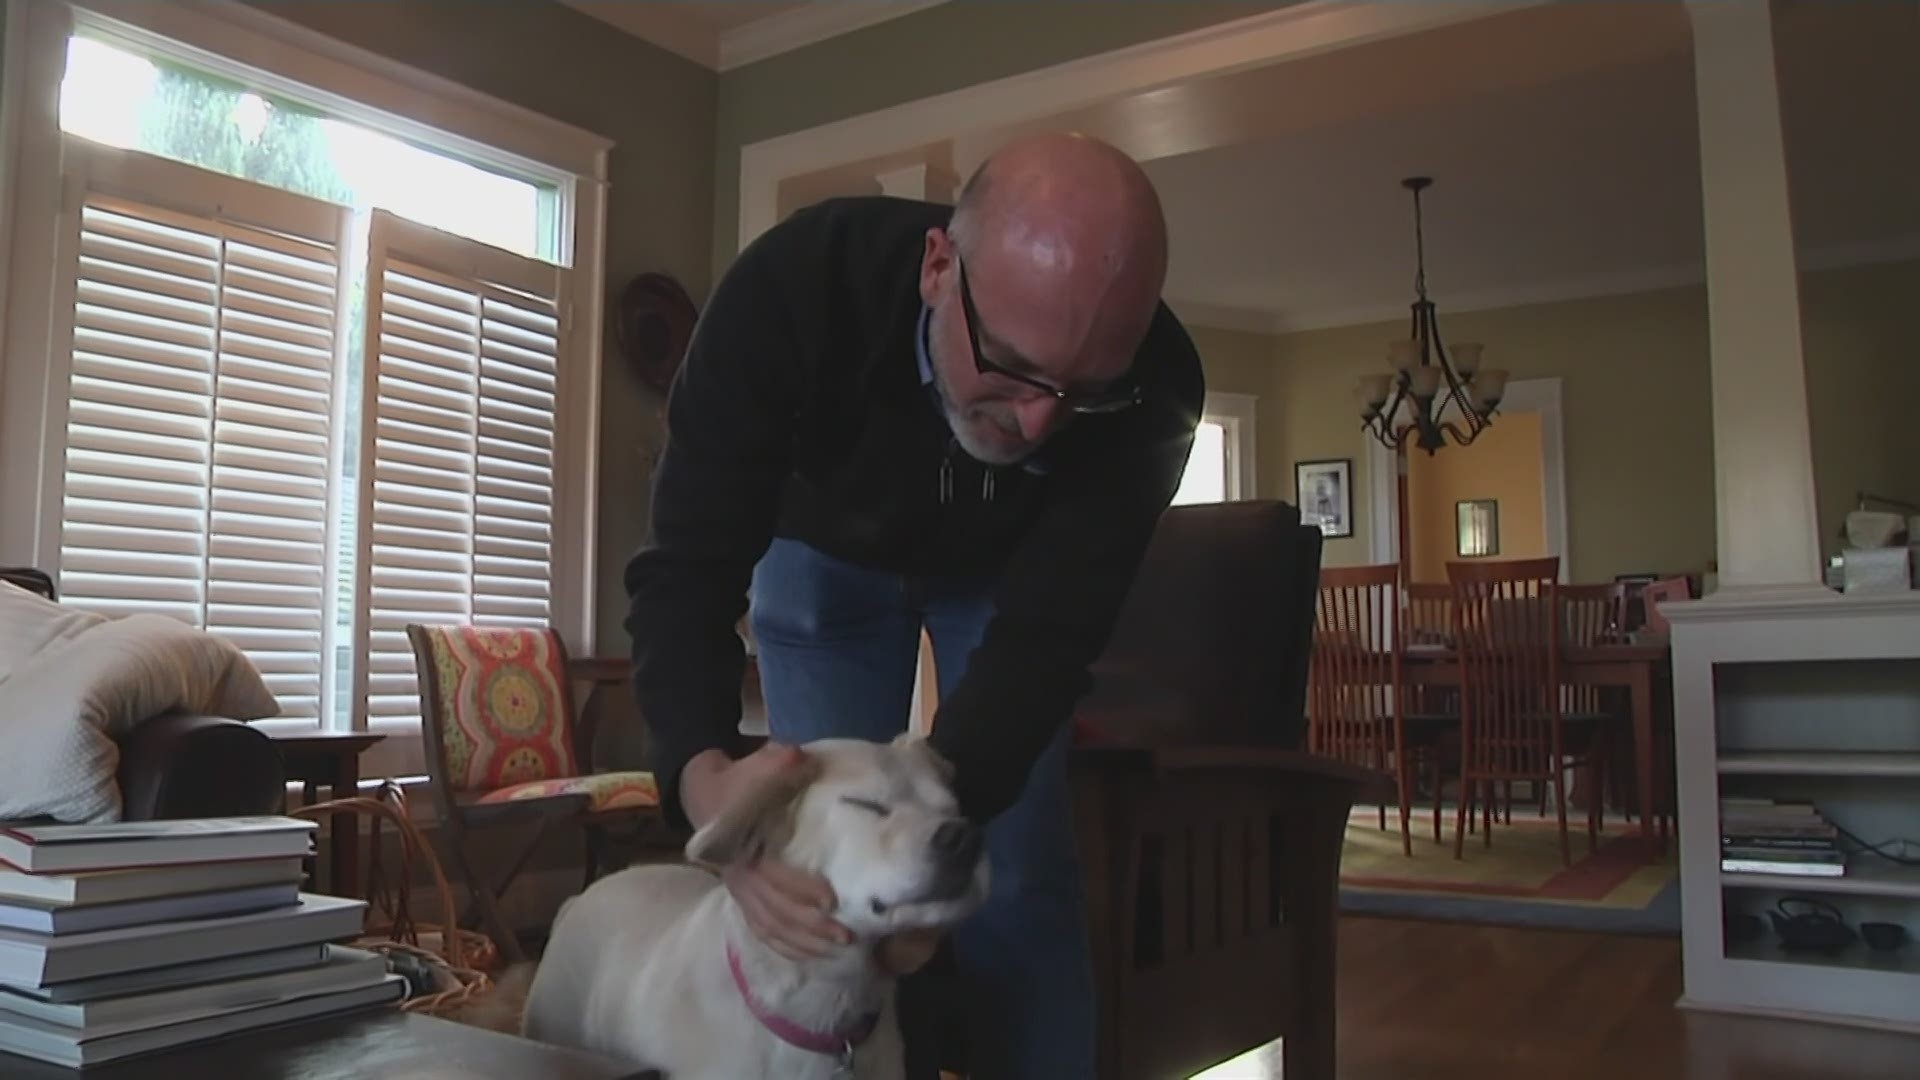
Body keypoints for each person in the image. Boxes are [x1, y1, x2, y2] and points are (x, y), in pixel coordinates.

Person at [622, 131, 1204, 1078]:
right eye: (1010, 363)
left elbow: (1049, 642)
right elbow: (685, 565)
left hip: (1007, 578)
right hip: (820, 548)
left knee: (1012, 877)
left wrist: (940, 856)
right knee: (816, 884)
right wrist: (703, 790)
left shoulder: (1159, 391)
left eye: (1082, 394)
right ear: (939, 267)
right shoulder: (793, 288)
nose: (1037, 422)